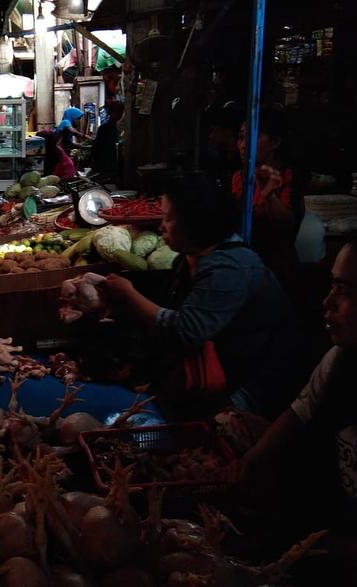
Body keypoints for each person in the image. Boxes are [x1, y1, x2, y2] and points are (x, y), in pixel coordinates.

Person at [99, 172, 305, 421]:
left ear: (194, 222)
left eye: (168, 218)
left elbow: (186, 330)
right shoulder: (191, 257)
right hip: (220, 368)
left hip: (257, 381)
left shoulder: (230, 267)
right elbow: (168, 312)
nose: (161, 225)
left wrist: (129, 294)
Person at [231, 236, 357, 581]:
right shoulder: (340, 359)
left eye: (346, 291)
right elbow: (299, 414)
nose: (327, 303)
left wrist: (305, 546)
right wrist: (250, 464)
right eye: (333, 285)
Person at [232, 106, 305, 291]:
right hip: (242, 269)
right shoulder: (239, 178)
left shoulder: (289, 176)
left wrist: (269, 194)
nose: (243, 145)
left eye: (252, 137)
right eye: (241, 137)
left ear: (275, 142)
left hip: (277, 274)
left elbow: (287, 223)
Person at [89, 99, 125, 181]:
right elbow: (95, 149)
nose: (119, 114)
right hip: (105, 168)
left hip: (113, 167)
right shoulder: (104, 128)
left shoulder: (117, 128)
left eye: (120, 111)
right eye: (116, 111)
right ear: (110, 112)